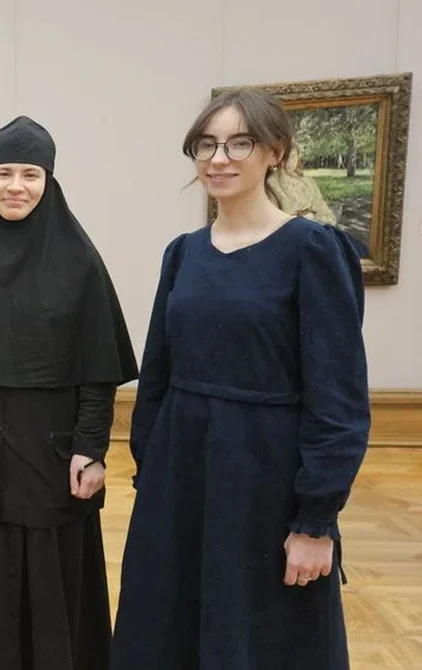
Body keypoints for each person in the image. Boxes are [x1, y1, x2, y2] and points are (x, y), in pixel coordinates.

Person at [109, 88, 370, 669]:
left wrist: (315, 520)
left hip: (267, 481)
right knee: (167, 628)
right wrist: (151, 469)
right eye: (206, 145)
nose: (219, 159)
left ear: (274, 152)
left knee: (258, 636)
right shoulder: (183, 253)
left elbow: (338, 395)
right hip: (181, 473)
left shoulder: (313, 250)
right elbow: (159, 371)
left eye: (238, 143)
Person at [0, 115, 138, 669]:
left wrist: (91, 448)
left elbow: (98, 370)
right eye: (4, 173)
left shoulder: (80, 263)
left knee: (51, 580)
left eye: (31, 174)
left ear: (49, 180)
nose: (16, 186)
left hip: (51, 457)